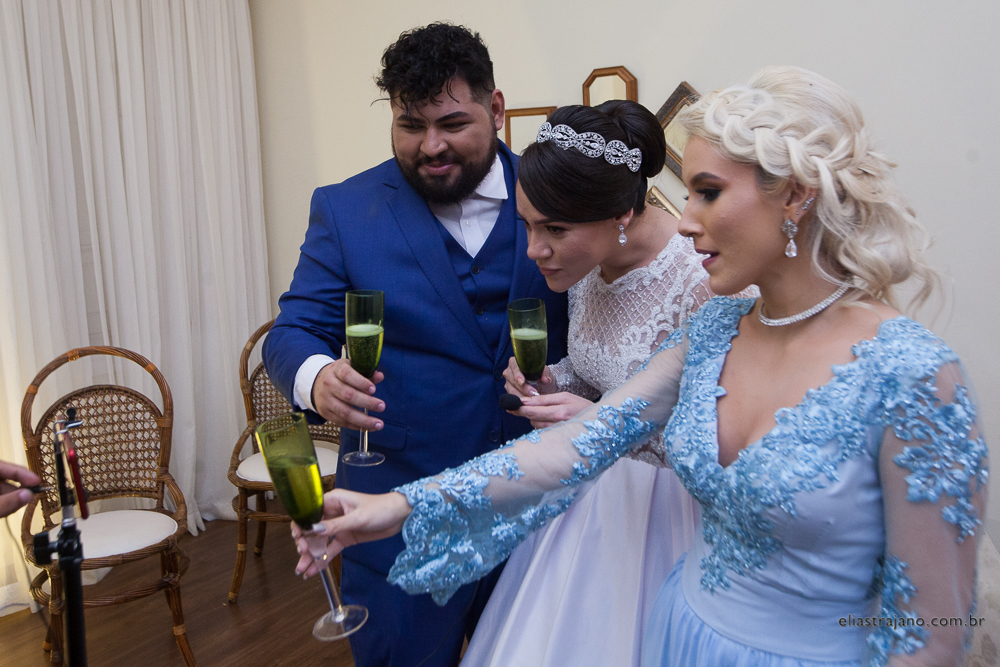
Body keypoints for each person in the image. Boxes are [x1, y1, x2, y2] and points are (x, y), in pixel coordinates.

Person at [293, 66, 987, 666]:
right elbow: (575, 445)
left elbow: (935, 629)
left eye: (707, 192)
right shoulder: (717, 331)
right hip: (678, 632)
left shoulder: (913, 376)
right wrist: (392, 507)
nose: (684, 220)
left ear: (796, 194)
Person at [262, 22, 568, 667]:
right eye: (410, 126)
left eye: (453, 123)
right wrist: (317, 378)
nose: (431, 146)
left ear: (496, 108)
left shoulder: (558, 194)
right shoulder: (345, 209)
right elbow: (293, 331)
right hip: (396, 515)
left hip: (541, 510)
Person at [465, 100, 753, 666]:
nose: (534, 249)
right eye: (527, 225)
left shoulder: (706, 281)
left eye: (554, 229)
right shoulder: (587, 270)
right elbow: (598, 373)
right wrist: (551, 379)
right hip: (589, 503)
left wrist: (599, 425)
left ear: (620, 214)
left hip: (676, 513)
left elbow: (732, 440)